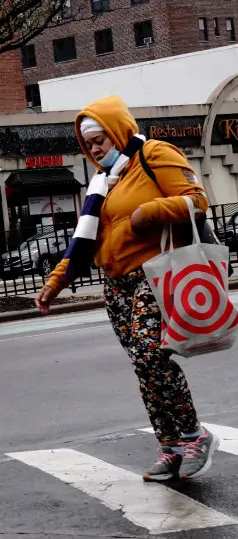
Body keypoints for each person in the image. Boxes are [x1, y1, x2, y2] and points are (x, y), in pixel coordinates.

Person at [37, 95, 218, 482]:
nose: (94, 148)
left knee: (150, 355)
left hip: (154, 273)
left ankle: (194, 435)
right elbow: (84, 241)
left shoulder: (153, 154)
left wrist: (147, 213)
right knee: (143, 366)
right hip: (116, 284)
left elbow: (196, 200)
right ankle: (169, 446)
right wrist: (55, 282)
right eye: (88, 143)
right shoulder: (102, 182)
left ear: (119, 129)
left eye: (100, 139)